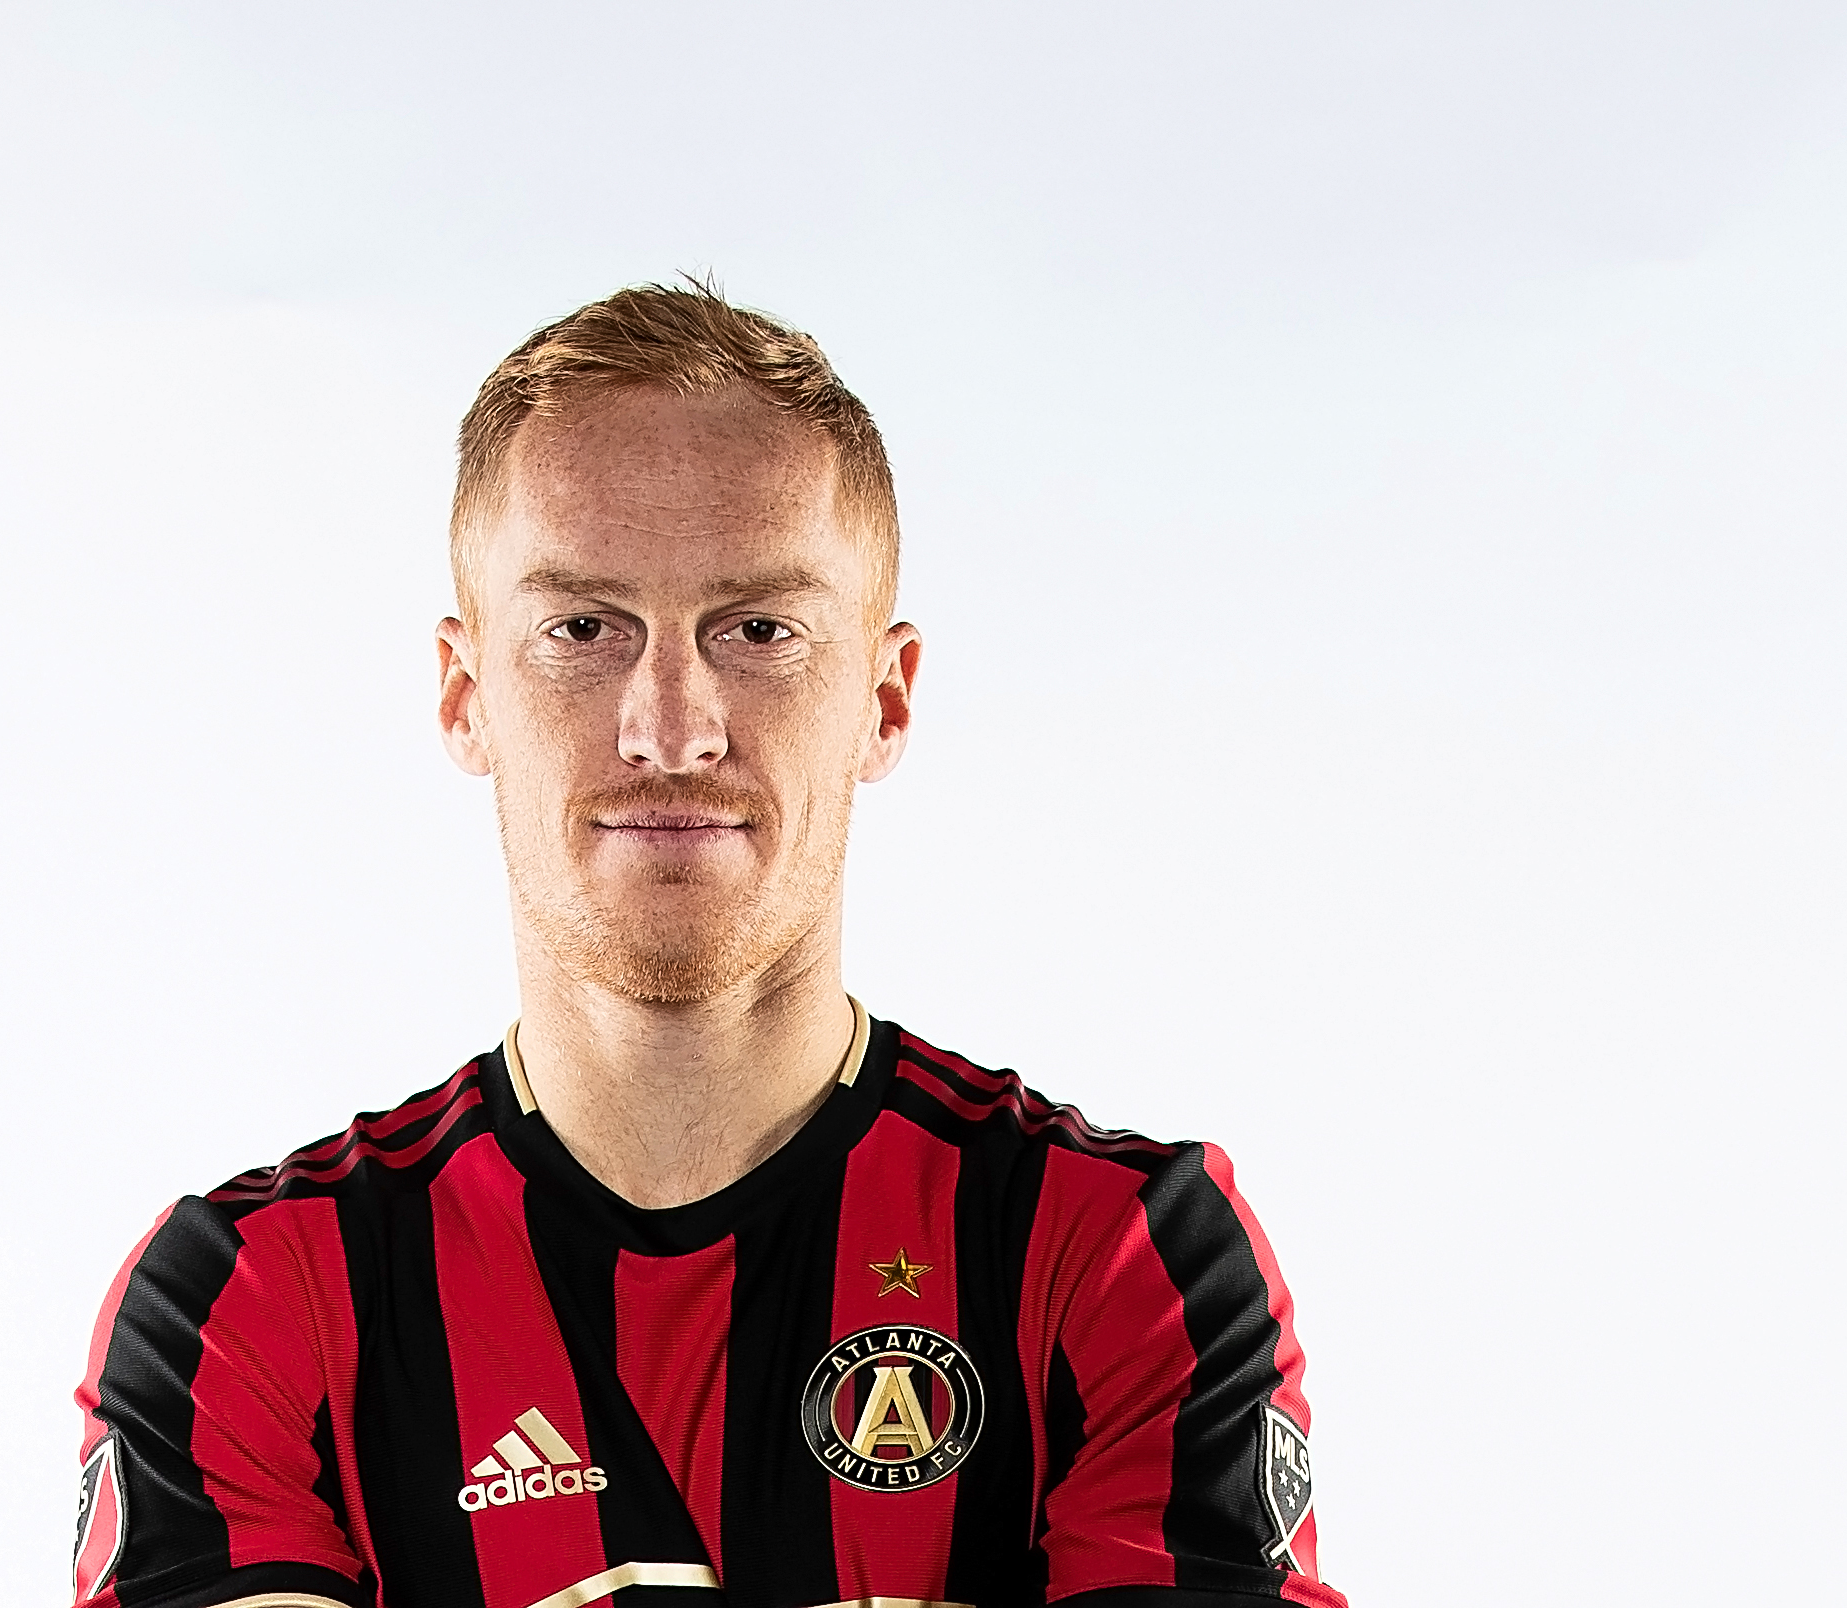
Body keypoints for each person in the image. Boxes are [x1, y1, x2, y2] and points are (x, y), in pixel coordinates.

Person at [70, 283, 1346, 1608]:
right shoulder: (252, 1302)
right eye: (582, 628)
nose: (670, 727)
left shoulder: (1119, 1255)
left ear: (885, 698)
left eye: (758, 631)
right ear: (465, 695)